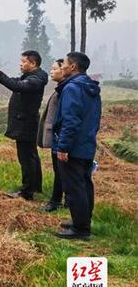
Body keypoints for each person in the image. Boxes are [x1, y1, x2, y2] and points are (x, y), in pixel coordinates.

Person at [52, 52, 101, 240]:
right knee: (84, 184)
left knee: (74, 188)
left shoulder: (72, 88)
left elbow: (70, 120)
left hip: (72, 147)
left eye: (64, 63)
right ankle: (82, 221)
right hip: (86, 144)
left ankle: (80, 229)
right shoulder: (90, 88)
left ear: (73, 67)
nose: (62, 66)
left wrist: (63, 147)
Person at [0, 50, 48, 200]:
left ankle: (27, 192)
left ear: (33, 63)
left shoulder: (35, 80)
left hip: (26, 124)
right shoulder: (32, 77)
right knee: (31, 155)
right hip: (26, 122)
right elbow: (15, 82)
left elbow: (16, 86)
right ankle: (35, 186)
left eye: (24, 62)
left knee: (26, 158)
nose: (20, 64)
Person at [37, 59, 67, 212]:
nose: (51, 71)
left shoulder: (66, 91)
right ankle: (66, 200)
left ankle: (56, 201)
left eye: (54, 68)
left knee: (61, 171)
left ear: (64, 70)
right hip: (58, 137)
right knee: (61, 171)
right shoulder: (60, 89)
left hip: (60, 138)